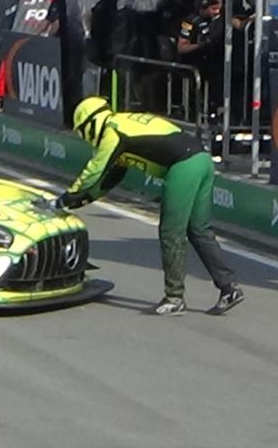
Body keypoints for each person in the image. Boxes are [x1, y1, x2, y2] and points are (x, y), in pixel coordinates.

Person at [55, 97, 244, 316]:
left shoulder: (112, 132)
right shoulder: (124, 123)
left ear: (91, 123)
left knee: (171, 232)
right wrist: (79, 201)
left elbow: (95, 170)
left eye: (82, 132)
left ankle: (174, 297)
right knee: (199, 231)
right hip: (202, 159)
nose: (85, 138)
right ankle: (229, 287)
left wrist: (66, 198)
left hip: (183, 166)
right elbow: (110, 179)